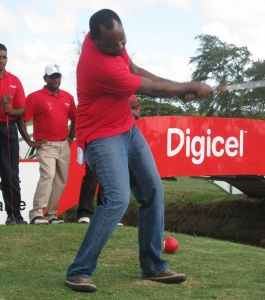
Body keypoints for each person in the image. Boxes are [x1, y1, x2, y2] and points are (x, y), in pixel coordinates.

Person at [65, 9, 213, 293]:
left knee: (153, 190)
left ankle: (153, 267)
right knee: (118, 200)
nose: (120, 47)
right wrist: (189, 86)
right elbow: (151, 89)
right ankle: (79, 270)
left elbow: (136, 71)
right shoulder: (98, 65)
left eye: (123, 40)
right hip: (101, 137)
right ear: (95, 39)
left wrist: (177, 87)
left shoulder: (109, 41)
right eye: (112, 44)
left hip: (127, 130)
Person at [17, 64, 76, 225]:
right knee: (48, 175)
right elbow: (21, 119)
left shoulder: (68, 97)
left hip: (64, 144)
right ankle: (36, 213)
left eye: (58, 76)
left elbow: (75, 118)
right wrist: (29, 141)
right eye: (52, 76)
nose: (56, 79)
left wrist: (71, 136)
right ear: (45, 78)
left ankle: (51, 214)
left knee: (60, 180)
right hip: (46, 145)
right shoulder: (35, 97)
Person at [77, 96, 140, 224]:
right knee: (91, 177)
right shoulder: (97, 92)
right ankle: (85, 212)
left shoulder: (130, 94)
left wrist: (120, 110)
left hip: (117, 141)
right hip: (95, 139)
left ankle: (108, 214)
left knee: (111, 180)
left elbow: (136, 114)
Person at [0, 43, 27, 225]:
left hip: (8, 129)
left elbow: (22, 109)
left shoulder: (15, 80)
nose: (1, 61)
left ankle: (14, 215)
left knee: (11, 174)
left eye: (4, 57)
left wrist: (12, 111)